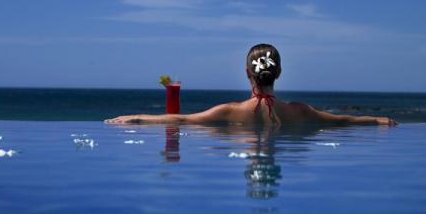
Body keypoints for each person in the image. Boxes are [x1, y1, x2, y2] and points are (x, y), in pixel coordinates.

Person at [106, 43, 397, 126]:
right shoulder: (300, 112)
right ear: (279, 73)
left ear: (247, 72)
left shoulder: (229, 112)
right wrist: (377, 119)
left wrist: (137, 118)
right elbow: (343, 121)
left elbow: (181, 119)